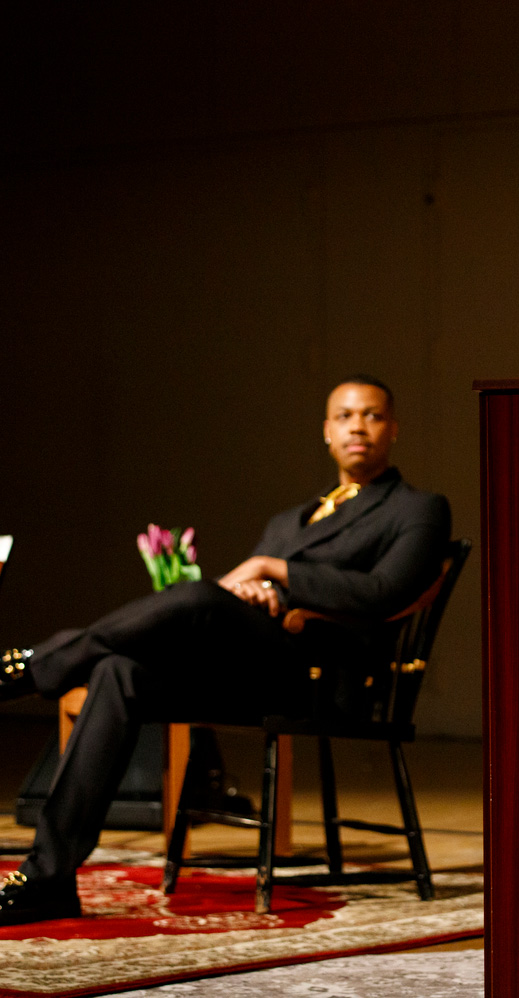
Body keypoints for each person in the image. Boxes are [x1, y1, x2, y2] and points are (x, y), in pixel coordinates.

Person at [0, 375, 451, 927]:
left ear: (395, 429)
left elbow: (387, 593)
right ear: (326, 432)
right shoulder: (290, 520)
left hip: (320, 673)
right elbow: (243, 596)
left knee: (195, 595)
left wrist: (273, 572)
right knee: (119, 671)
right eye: (345, 416)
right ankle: (49, 875)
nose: (359, 426)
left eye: (373, 415)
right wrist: (256, 589)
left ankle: (34, 665)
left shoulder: (418, 509)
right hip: (249, 669)